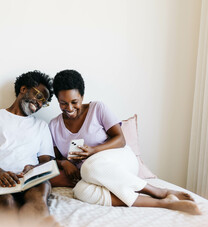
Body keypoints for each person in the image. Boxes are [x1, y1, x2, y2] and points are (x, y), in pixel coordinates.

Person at [48, 69, 201, 215]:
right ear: (58, 100)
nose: (69, 108)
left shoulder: (97, 108)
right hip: (93, 176)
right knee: (80, 191)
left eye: (74, 101)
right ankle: (165, 204)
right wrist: (65, 163)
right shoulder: (54, 126)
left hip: (120, 161)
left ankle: (159, 192)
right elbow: (56, 158)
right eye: (63, 103)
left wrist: (94, 150)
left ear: (82, 96)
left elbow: (120, 140)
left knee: (88, 168)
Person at [0, 70, 61, 227]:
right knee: (7, 201)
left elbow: (47, 161)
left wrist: (34, 169)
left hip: (29, 181)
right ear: (23, 89)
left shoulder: (41, 126)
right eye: (38, 96)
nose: (39, 104)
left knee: (38, 198)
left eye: (43, 102)